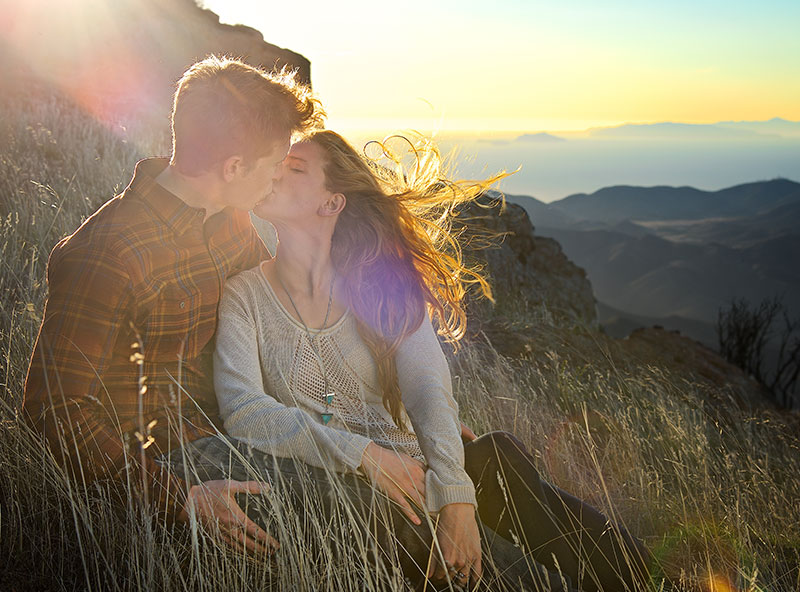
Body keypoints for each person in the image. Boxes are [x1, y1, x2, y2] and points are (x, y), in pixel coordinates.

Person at [187, 130, 652, 590]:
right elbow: (246, 412)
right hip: (358, 497)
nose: (275, 172)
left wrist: (455, 498)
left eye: (295, 167)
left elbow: (429, 392)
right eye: (277, 162)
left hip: (426, 472)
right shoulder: (244, 295)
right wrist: (365, 456)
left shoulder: (382, 287)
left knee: (500, 468)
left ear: (331, 204)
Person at [23, 55, 323, 553]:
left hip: (239, 423)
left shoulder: (231, 218)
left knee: (461, 457)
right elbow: (53, 409)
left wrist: (379, 403)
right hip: (174, 463)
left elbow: (278, 322)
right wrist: (178, 497)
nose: (277, 181)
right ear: (233, 167)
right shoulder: (108, 254)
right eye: (274, 167)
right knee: (389, 506)